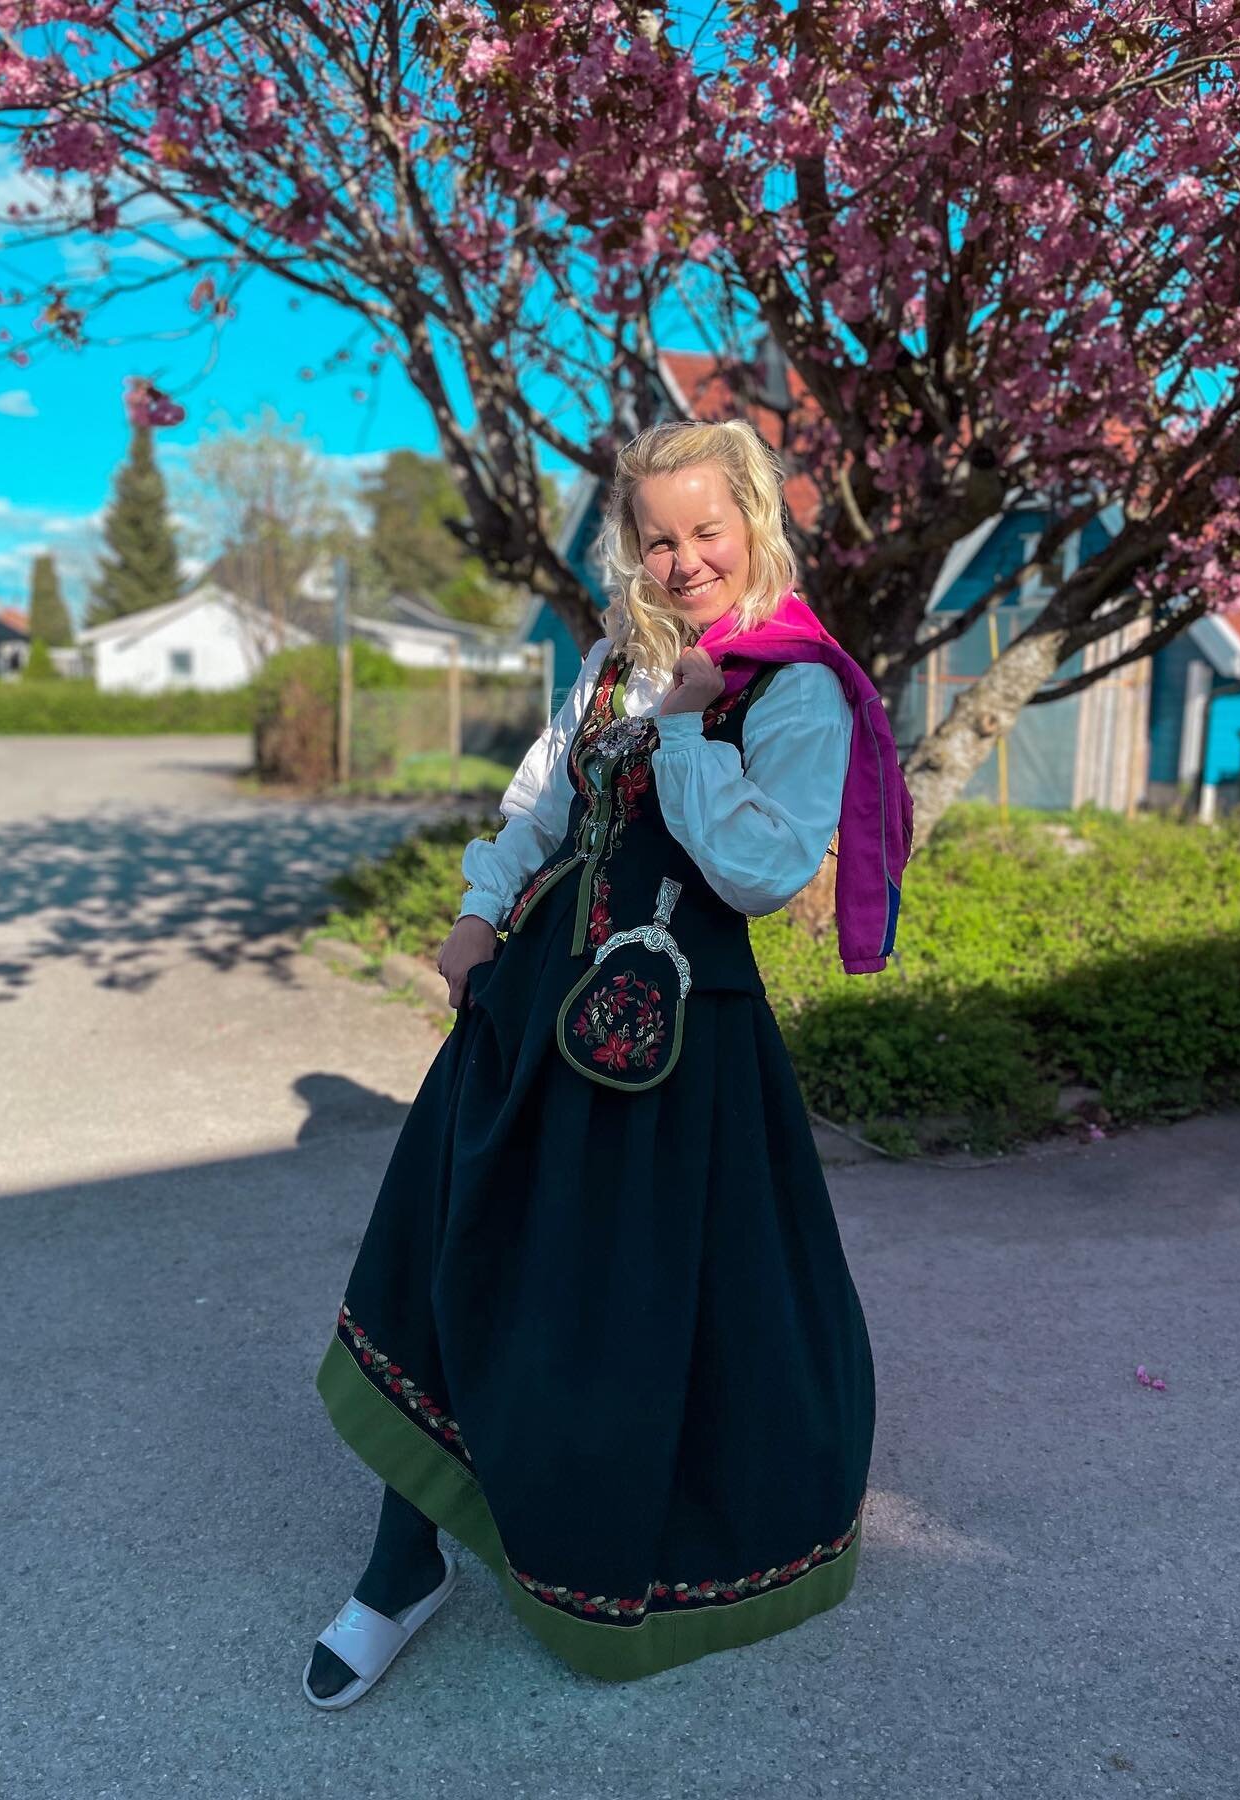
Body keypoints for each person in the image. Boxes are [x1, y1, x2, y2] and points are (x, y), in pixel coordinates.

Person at [305, 418, 902, 1704]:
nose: (685, 560)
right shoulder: (614, 664)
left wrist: (690, 729)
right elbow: (541, 803)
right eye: (658, 538)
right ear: (632, 548)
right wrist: (476, 915)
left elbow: (762, 866)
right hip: (530, 1017)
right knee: (446, 1261)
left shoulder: (794, 684)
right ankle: (402, 1561)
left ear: (753, 521)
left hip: (676, 1061)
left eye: (707, 530)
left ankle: (604, 1558)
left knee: (625, 1323)